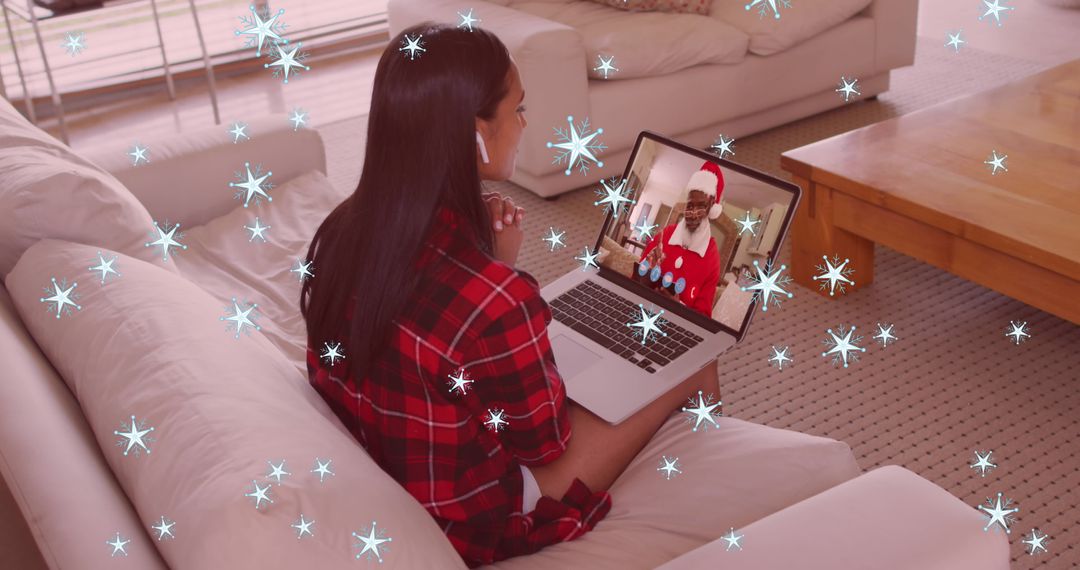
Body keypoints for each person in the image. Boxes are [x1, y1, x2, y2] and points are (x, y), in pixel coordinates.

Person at [300, 22, 720, 568]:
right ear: (476, 132)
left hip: (391, 459)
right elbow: (545, 442)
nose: (525, 124)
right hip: (472, 513)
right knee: (694, 355)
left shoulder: (339, 230)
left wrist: (487, 262)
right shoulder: (496, 298)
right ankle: (716, 499)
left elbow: (432, 322)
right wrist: (500, 276)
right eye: (518, 109)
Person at [637, 162, 725, 317]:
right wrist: (646, 271)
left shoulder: (712, 258)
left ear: (711, 206)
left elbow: (703, 316)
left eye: (701, 206)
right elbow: (636, 279)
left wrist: (678, 308)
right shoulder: (665, 234)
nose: (693, 214)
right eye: (690, 205)